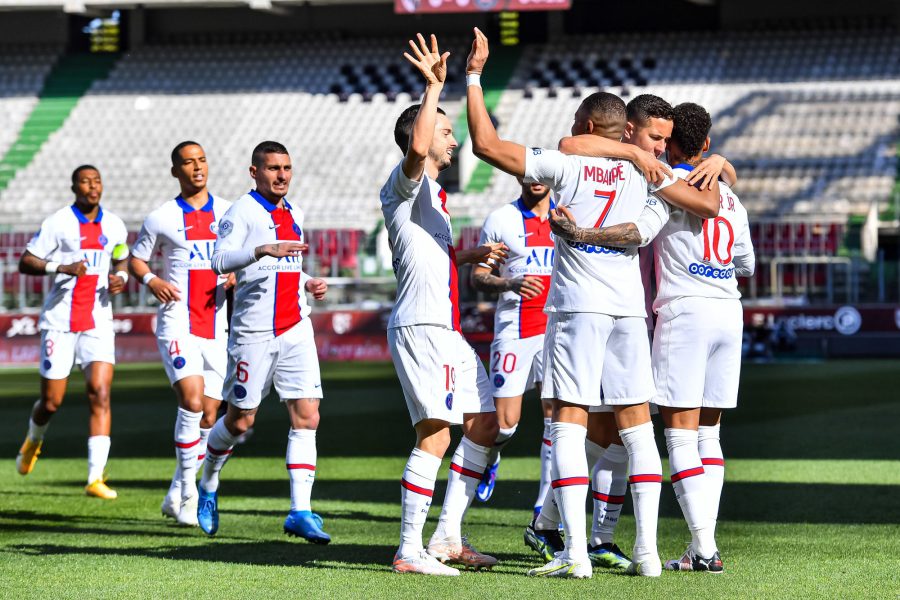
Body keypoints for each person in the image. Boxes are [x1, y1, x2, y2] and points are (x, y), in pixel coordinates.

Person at [465, 27, 720, 578]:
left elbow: (486, 145)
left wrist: (474, 75)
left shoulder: (569, 162)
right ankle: (648, 555)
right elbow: (689, 211)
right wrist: (712, 162)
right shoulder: (652, 174)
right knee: (636, 428)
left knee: (567, 423)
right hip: (628, 307)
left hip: (577, 307)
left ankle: (575, 554)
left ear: (582, 125)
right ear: (626, 131)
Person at [530, 94, 737, 572]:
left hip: (652, 312)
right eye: (653, 140)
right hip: (683, 309)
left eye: (665, 142)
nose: (659, 150)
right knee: (671, 432)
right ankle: (580, 529)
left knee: (615, 429)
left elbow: (692, 208)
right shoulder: (683, 179)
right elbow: (739, 251)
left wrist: (583, 233)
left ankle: (578, 533)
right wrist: (720, 162)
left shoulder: (658, 178)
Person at [381, 33, 509, 577]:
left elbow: (430, 258)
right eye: (446, 131)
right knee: (435, 435)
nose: (453, 141)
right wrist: (433, 86)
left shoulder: (435, 196)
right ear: (420, 134)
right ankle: (409, 552)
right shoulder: (404, 184)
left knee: (488, 422)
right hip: (422, 327)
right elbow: (416, 149)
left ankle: (449, 537)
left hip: (446, 329)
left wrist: (466, 254)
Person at [200, 140, 331, 544]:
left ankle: (300, 511)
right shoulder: (240, 211)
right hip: (253, 334)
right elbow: (218, 260)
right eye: (273, 168)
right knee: (241, 421)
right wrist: (261, 250)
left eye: (287, 168)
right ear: (254, 171)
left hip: (295, 327)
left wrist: (307, 281)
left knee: (307, 415)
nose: (281, 175)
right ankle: (207, 483)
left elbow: (290, 263)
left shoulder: (295, 212)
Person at [130, 141, 234, 526]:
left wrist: (237, 271)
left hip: (217, 325)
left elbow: (242, 252)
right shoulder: (161, 217)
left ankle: (176, 492)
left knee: (210, 415)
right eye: (188, 163)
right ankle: (190, 493)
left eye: (202, 160)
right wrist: (152, 278)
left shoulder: (228, 212)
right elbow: (136, 258)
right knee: (191, 402)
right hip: (177, 321)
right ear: (175, 171)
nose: (197, 168)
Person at [15, 165, 129, 500]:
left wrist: (120, 277)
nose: (93, 186)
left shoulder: (114, 224)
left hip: (98, 320)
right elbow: (26, 261)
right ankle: (33, 440)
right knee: (52, 402)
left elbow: (121, 257)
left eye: (97, 181)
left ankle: (95, 478)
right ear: (74, 187)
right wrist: (61, 267)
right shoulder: (58, 222)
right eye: (85, 181)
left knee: (100, 393)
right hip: (60, 321)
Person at [470, 179, 555, 512]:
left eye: (540, 174)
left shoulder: (567, 216)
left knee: (556, 419)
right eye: (527, 173)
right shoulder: (501, 219)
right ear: (519, 177)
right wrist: (509, 282)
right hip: (514, 330)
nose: (534, 180)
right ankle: (492, 458)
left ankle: (544, 505)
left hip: (557, 331)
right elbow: (477, 276)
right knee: (505, 424)